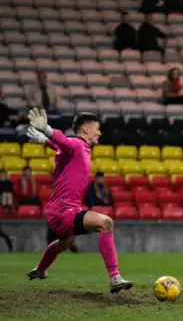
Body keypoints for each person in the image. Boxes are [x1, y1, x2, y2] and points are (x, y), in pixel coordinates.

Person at [24, 110, 133, 292]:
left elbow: (60, 146)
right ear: (85, 129)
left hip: (58, 211)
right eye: (97, 129)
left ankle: (40, 270)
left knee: (65, 243)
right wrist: (47, 130)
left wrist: (43, 140)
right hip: (65, 210)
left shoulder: (76, 148)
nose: (99, 133)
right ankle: (115, 277)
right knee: (106, 223)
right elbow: (63, 141)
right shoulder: (76, 143)